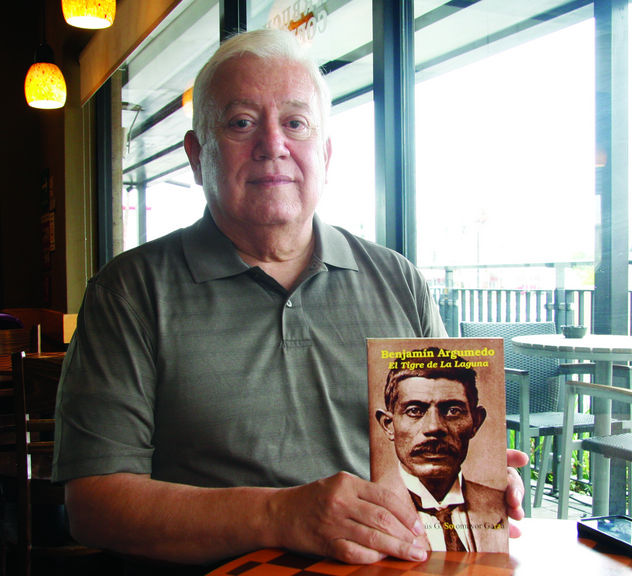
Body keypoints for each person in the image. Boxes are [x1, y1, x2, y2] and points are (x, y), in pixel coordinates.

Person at [52, 28, 527, 573]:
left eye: (296, 123)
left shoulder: (400, 281)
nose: (272, 144)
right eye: (241, 123)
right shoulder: (128, 292)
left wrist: (481, 476)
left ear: (325, 154)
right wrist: (279, 514)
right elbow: (92, 505)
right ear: (197, 155)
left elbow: (434, 451)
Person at [374, 348, 506, 552]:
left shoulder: (500, 505)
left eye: (453, 411)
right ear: (388, 425)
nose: (434, 427)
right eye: (414, 411)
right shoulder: (369, 506)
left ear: (476, 422)